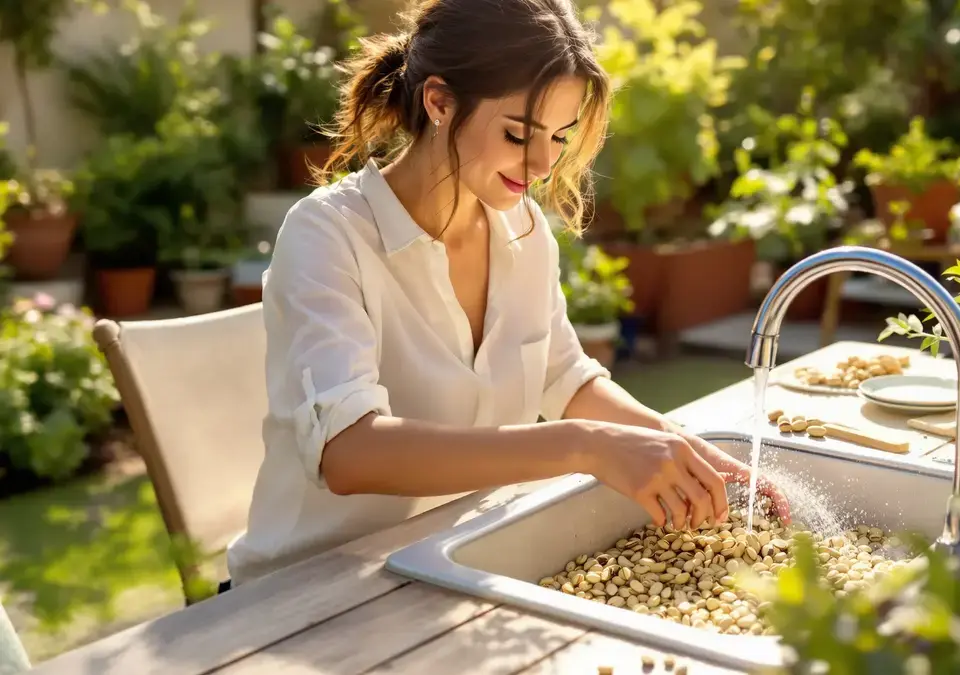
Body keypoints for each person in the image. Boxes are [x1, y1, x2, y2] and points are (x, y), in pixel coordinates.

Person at [225, 0, 789, 587]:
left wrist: (688, 452)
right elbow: (349, 451)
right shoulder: (328, 234)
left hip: (455, 561)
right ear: (439, 102)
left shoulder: (521, 230)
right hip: (309, 592)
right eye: (519, 134)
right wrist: (585, 447)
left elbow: (563, 378)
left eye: (560, 137)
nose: (544, 163)